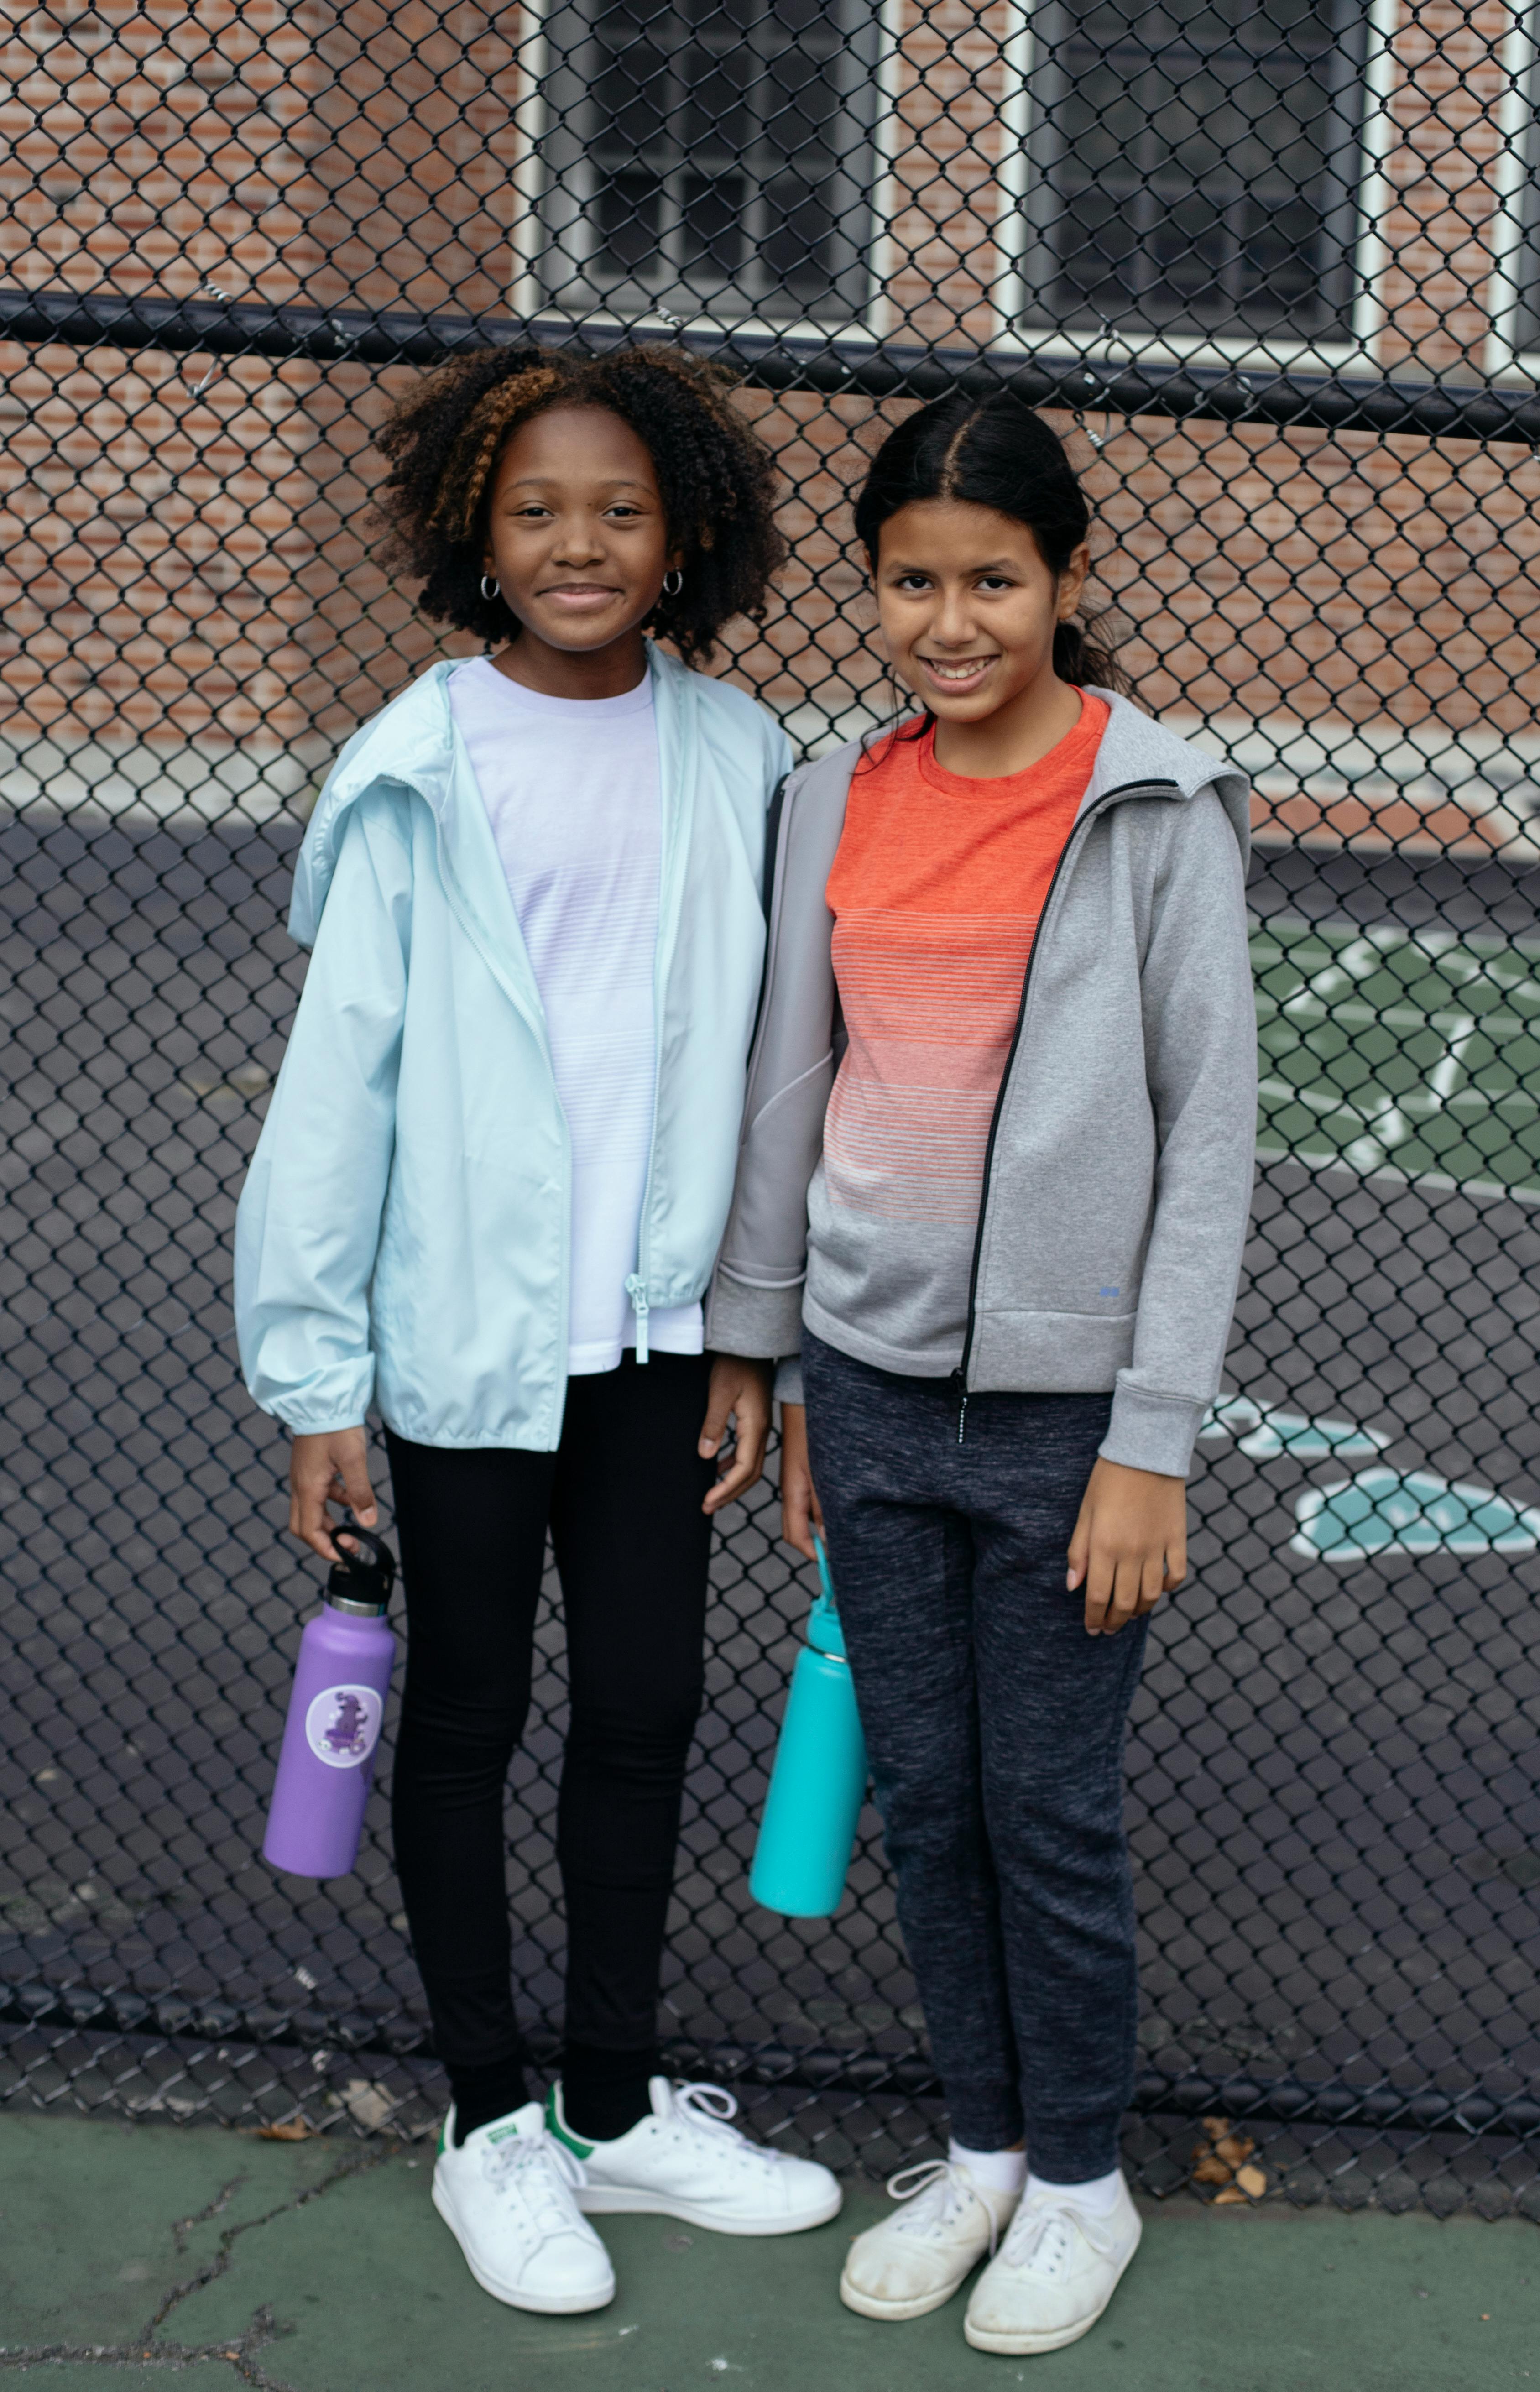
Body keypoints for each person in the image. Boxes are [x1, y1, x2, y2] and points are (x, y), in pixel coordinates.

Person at [235, 343, 841, 2318]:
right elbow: (340, 1085)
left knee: (649, 1711)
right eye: (535, 512)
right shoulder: (417, 762)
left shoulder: (739, 755)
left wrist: (762, 1339)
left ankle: (605, 2103)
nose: (577, 544)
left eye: (619, 512)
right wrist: (317, 1379)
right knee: (476, 1712)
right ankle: (487, 2119)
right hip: (467, 1346)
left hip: (663, 1343)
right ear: (470, 536)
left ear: (684, 540)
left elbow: (777, 1073)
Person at [706, 389, 1256, 2357]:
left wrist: (1151, 1441)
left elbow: (1208, 1139)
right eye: (911, 581)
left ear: (1066, 578)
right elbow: (794, 1075)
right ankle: (990, 2146)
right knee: (924, 1799)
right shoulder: (835, 800)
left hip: (1065, 1416)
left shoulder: (1157, 808)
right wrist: (761, 1346)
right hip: (864, 1385)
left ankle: (1086, 2184)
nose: (950, 621)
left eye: (992, 580)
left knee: (1048, 1807)